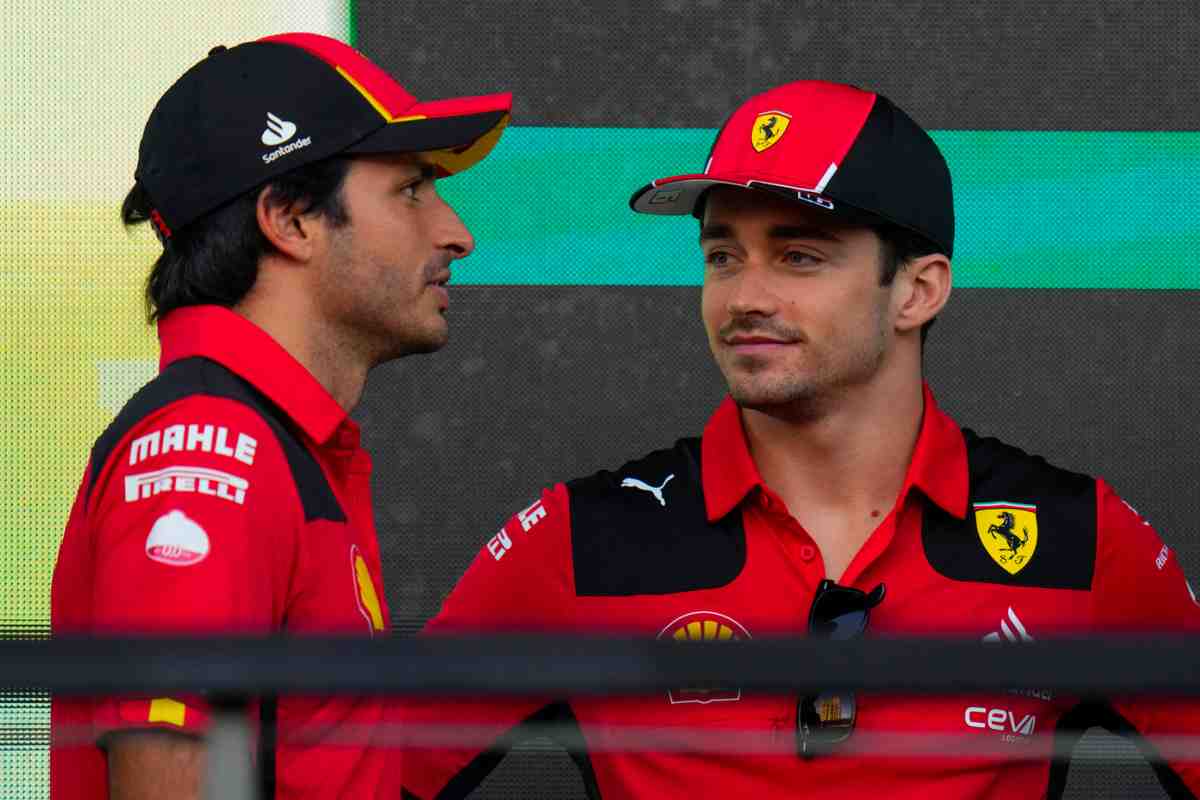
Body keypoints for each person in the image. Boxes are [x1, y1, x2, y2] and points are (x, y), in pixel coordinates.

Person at [400, 81, 1200, 799]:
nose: (745, 296)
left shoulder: (1080, 541)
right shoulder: (578, 543)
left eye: (799, 257)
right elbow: (367, 776)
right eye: (723, 256)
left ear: (918, 290)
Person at [50, 32, 510, 799]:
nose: (455, 233)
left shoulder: (270, 443)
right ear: (290, 220)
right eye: (411, 189)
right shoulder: (211, 453)